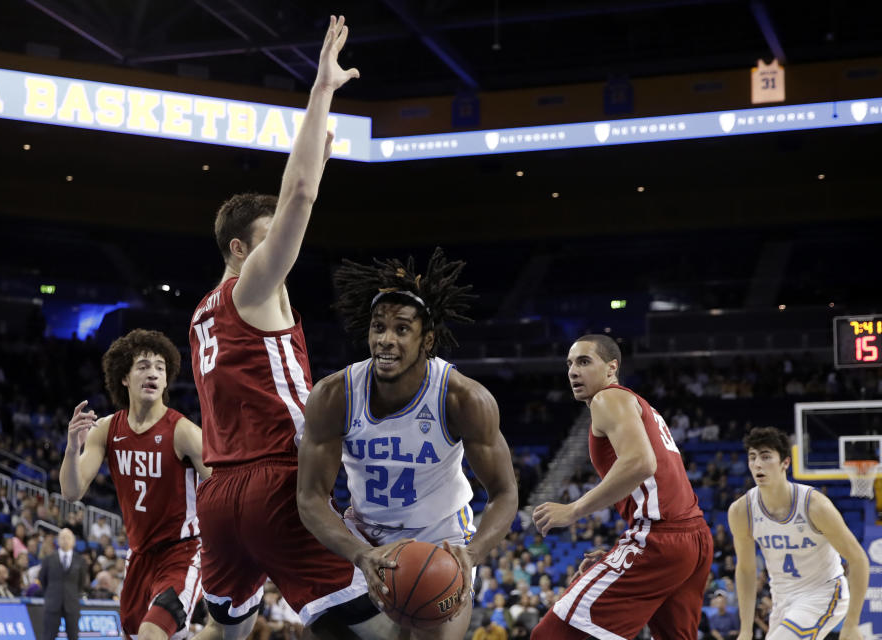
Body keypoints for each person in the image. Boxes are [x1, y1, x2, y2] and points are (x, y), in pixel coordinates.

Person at [188, 15, 386, 640]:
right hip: (278, 481)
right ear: (242, 248)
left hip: (218, 496)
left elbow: (303, 186)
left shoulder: (201, 312)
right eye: (272, 240)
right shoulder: (253, 285)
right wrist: (322, 88)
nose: (287, 249)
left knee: (226, 631)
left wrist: (318, 156)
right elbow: (299, 194)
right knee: (384, 626)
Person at [296, 249, 519, 640]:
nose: (385, 339)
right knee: (318, 626)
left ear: (427, 339)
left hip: (441, 536)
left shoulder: (462, 398)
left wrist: (473, 554)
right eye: (378, 327)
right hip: (364, 536)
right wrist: (357, 552)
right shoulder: (335, 395)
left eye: (401, 329)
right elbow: (311, 497)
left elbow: (504, 492)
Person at [530, 334, 713, 640]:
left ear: (611, 367)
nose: (573, 371)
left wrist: (574, 509)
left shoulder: (608, 398)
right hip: (693, 540)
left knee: (550, 635)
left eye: (584, 361)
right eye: (570, 363)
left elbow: (642, 462)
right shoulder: (640, 406)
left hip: (660, 540)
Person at [60, 329, 207, 640]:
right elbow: (71, 492)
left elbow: (224, 490)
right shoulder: (106, 429)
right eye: (143, 366)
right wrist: (72, 447)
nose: (152, 373)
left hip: (182, 552)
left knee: (152, 633)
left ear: (167, 381)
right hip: (138, 556)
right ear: (124, 377)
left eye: (160, 367)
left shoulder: (184, 432)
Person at [727, 427, 868, 640]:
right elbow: (746, 570)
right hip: (782, 599)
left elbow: (858, 560)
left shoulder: (815, 506)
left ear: (785, 462)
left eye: (766, 457)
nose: (757, 464)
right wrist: (745, 630)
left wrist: (852, 623)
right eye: (752, 457)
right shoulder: (741, 511)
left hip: (824, 593)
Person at [39, 529, 88, 640]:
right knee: (48, 636)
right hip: (52, 603)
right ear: (58, 541)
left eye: (68, 538)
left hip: (72, 604)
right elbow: (42, 579)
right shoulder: (49, 559)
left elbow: (81, 582)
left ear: (73, 541)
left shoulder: (80, 560)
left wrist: (72, 593)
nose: (65, 540)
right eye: (62, 538)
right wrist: (52, 593)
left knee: (73, 636)